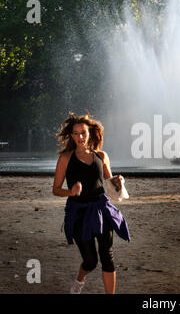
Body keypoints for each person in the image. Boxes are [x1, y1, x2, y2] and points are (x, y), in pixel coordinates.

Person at [52, 111, 130, 294]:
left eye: (83, 133)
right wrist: (71, 192)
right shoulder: (65, 158)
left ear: (90, 133)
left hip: (102, 209)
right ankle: (79, 280)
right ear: (71, 136)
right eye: (76, 133)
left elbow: (110, 185)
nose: (80, 137)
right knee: (91, 261)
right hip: (79, 213)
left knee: (107, 257)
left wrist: (118, 181)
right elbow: (55, 189)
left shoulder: (101, 156)